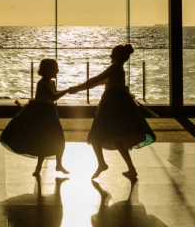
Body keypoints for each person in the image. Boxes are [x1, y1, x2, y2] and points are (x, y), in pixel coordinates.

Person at [66, 44, 155, 180]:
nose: (110, 56)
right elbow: (98, 82)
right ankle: (130, 168)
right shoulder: (119, 69)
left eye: (112, 54)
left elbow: (95, 80)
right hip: (115, 106)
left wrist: (77, 88)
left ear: (118, 56)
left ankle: (102, 163)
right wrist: (78, 88)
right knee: (117, 136)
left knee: (97, 135)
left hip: (110, 107)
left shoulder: (114, 68)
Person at [0, 58, 70, 176]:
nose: (58, 70)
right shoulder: (41, 84)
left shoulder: (51, 83)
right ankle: (39, 168)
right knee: (43, 141)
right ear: (48, 70)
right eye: (55, 69)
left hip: (50, 113)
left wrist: (65, 91)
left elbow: (54, 93)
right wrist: (68, 91)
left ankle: (58, 164)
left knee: (58, 139)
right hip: (42, 114)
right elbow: (52, 97)